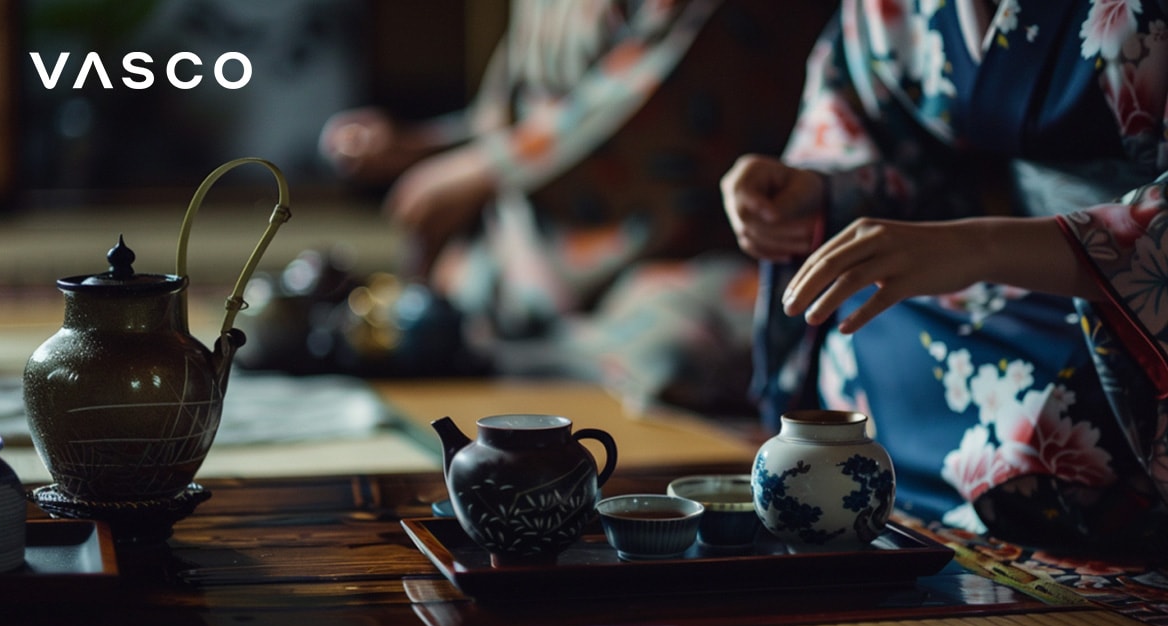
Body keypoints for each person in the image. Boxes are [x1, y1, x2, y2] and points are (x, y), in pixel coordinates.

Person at [721, 0, 1168, 554]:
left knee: (1056, 418)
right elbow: (879, 126)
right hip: (995, 285)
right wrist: (817, 192)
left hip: (1125, 311)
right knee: (858, 314)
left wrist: (984, 246)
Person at [315, 0, 833, 415]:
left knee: (677, 348)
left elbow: (643, 103)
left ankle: (516, 352)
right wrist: (417, 145)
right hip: (528, 242)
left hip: (678, 243)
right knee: (405, 314)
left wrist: (484, 169)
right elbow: (528, 113)